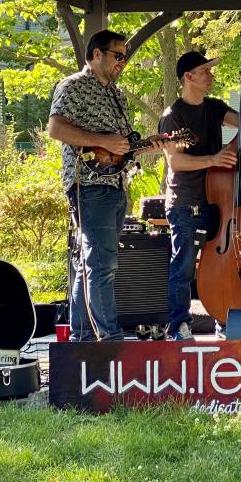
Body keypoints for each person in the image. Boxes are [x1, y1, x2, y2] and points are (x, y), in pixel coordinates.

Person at [48, 30, 165, 342]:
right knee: (103, 264)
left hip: (116, 184)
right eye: (118, 55)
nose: (122, 62)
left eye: (125, 56)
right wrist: (102, 141)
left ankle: (82, 337)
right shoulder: (73, 86)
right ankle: (110, 338)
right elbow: (56, 128)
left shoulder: (118, 95)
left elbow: (122, 147)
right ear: (96, 54)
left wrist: (152, 144)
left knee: (92, 264)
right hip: (87, 184)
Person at [158, 51, 241, 341]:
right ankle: (179, 325)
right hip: (185, 201)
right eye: (205, 71)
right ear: (188, 77)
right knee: (185, 264)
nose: (210, 76)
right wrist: (213, 160)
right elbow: (176, 162)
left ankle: (223, 320)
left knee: (223, 263)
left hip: (218, 200)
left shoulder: (213, 108)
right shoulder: (172, 115)